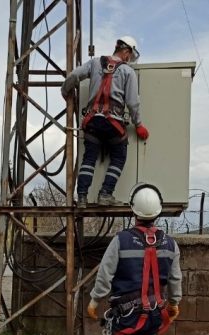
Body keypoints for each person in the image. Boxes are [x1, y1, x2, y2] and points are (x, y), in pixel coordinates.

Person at [86, 183, 181, 335]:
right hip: (154, 316)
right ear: (159, 211)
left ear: (133, 211)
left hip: (125, 316)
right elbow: (175, 279)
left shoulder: (121, 240)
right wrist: (174, 304)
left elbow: (105, 275)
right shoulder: (170, 245)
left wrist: (95, 300)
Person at [61, 36, 150, 208]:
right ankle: (105, 194)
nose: (129, 60)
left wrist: (66, 91)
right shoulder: (127, 71)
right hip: (113, 123)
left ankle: (81, 198)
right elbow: (133, 102)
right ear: (127, 51)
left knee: (89, 158)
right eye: (130, 56)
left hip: (92, 122)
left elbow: (74, 75)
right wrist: (138, 124)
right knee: (119, 155)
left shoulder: (95, 63)